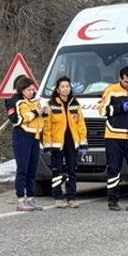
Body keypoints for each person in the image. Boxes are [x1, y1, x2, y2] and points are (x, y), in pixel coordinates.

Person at [98, 66, 128, 211]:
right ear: (120, 79)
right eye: (126, 82)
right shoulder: (111, 90)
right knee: (113, 169)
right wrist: (121, 107)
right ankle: (113, 201)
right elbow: (102, 110)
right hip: (113, 135)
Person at [42, 76, 87, 209]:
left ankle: (71, 197)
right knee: (57, 171)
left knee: (71, 170)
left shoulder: (75, 104)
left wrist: (83, 142)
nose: (65, 89)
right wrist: (48, 144)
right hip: (57, 144)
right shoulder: (51, 105)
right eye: (62, 86)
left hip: (72, 143)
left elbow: (81, 124)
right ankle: (58, 197)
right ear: (57, 89)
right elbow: (47, 126)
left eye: (67, 86)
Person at [10, 75, 47, 211]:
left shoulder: (35, 101)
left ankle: (31, 197)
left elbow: (39, 116)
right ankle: (20, 199)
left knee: (32, 169)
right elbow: (20, 119)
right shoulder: (19, 103)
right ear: (22, 90)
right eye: (29, 90)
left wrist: (44, 112)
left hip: (35, 137)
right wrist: (36, 112)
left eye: (33, 90)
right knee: (23, 169)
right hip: (22, 137)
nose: (31, 92)